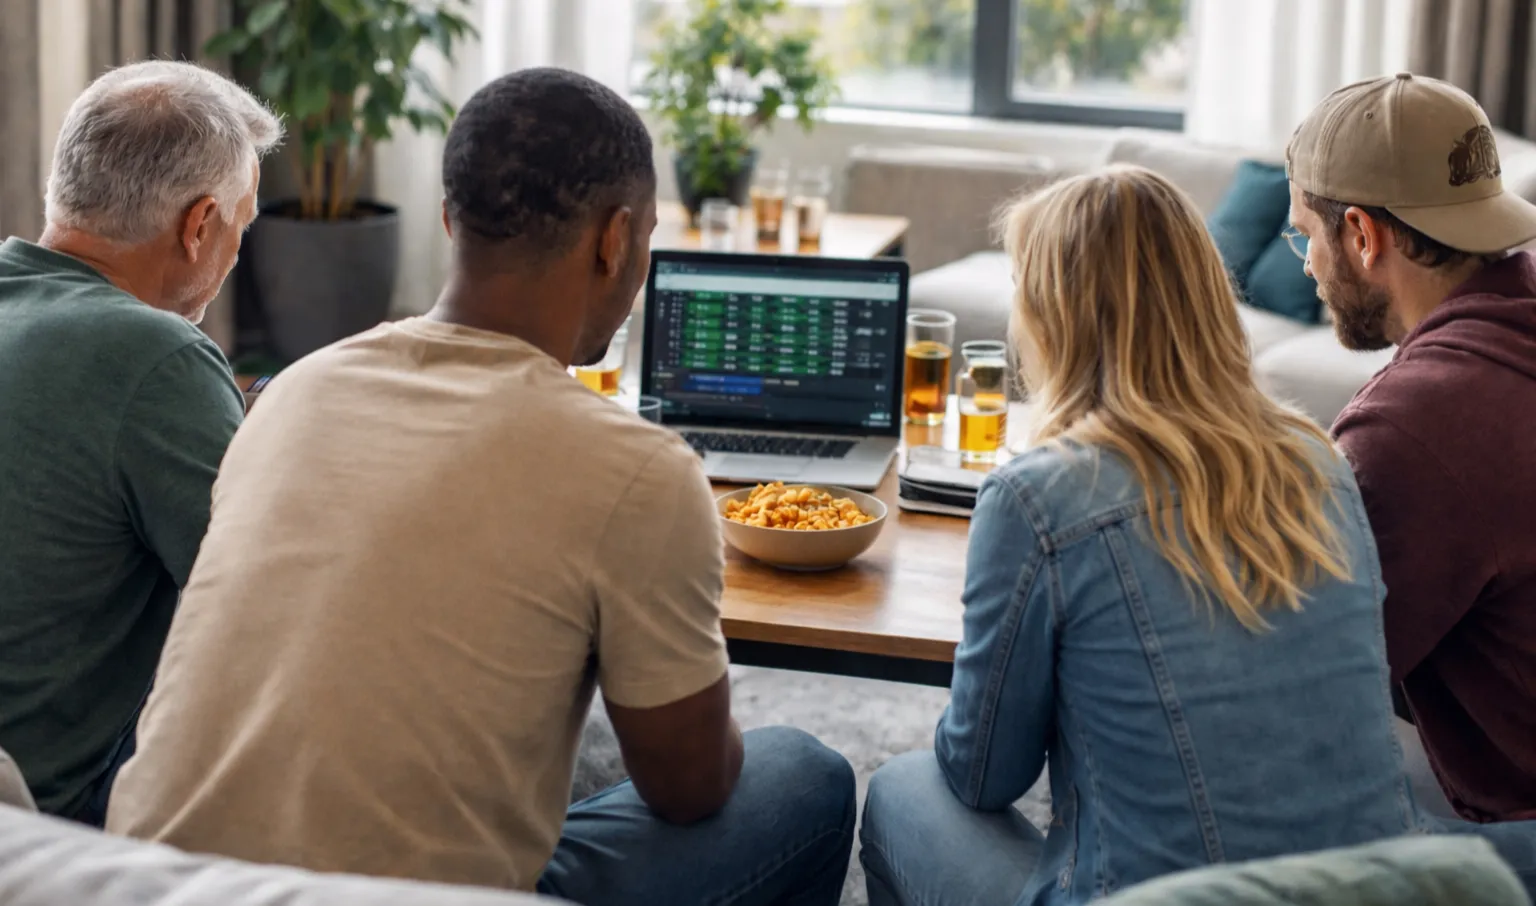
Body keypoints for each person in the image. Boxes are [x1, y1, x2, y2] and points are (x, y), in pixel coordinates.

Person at [105, 68, 856, 905]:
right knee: (807, 776)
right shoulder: (639, 471)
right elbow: (692, 789)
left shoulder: (289, 393)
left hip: (144, 882)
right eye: (643, 239)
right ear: (616, 242)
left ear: (448, 219)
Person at [859, 164, 1437, 906]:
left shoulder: (1038, 498)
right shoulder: (1319, 458)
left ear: (1054, 313)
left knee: (904, 788)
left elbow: (984, 774)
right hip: (1363, 891)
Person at [0, 61, 281, 826]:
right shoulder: (154, 355)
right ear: (199, 226)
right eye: (240, 224)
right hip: (50, 809)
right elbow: (261, 607)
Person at [1285, 73, 1536, 823]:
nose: (1306, 265)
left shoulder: (1411, 429)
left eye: (1305, 234)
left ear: (1363, 236)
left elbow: (1305, 692)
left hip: (1508, 829)